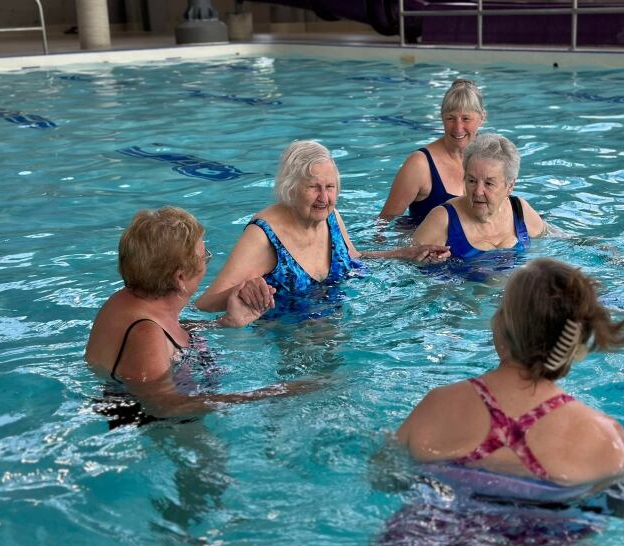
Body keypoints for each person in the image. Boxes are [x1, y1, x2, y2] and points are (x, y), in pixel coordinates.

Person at [396, 257, 624, 487]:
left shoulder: (438, 406)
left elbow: (385, 479)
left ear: (501, 327)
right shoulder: (606, 439)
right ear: (575, 345)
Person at [85, 206, 300, 419]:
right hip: (150, 425)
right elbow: (164, 407)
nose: (206, 262)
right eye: (203, 257)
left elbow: (167, 344)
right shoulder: (145, 333)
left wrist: (223, 323)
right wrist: (270, 393)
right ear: (180, 278)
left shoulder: (129, 300)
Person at [196, 140, 449, 313]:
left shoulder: (331, 217)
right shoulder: (263, 235)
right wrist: (242, 291)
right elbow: (205, 303)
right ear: (291, 188)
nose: (324, 198)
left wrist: (406, 254)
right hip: (286, 345)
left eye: (330, 187)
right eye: (314, 187)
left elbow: (354, 259)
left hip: (337, 329)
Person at [412, 133, 546, 260]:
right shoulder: (444, 219)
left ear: (510, 186)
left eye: (488, 183)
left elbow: (549, 236)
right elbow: (401, 259)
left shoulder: (519, 210)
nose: (478, 191)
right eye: (472, 181)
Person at [378, 79, 486, 224]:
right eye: (450, 118)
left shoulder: (490, 159)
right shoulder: (420, 165)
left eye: (466, 119)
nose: (458, 128)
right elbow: (382, 226)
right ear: (442, 117)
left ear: (482, 118)